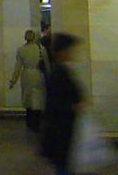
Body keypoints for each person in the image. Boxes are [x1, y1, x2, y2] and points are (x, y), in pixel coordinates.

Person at [41, 33, 83, 175]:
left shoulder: (60, 70)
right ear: (62, 51)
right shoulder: (60, 73)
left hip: (61, 132)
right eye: (70, 50)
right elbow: (58, 104)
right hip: (61, 132)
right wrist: (76, 106)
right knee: (64, 168)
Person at [8, 29, 49, 132]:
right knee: (38, 98)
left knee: (28, 98)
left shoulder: (21, 49)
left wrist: (13, 80)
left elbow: (17, 67)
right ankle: (37, 122)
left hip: (27, 75)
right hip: (39, 74)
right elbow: (47, 64)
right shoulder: (41, 48)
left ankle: (29, 121)